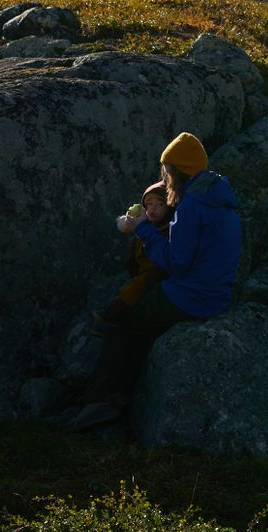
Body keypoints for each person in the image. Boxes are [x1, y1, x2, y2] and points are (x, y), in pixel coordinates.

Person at [65, 131, 241, 430]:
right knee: (144, 316)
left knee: (126, 321)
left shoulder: (191, 205)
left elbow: (176, 262)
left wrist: (143, 229)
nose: (165, 177)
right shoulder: (219, 196)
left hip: (192, 296)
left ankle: (101, 403)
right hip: (218, 294)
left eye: (167, 171)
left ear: (177, 172)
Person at [89, 180, 171, 335]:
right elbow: (124, 226)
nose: (153, 208)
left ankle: (114, 314)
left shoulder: (169, 228)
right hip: (138, 266)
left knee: (134, 290)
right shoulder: (145, 220)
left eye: (160, 204)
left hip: (152, 271)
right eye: (149, 203)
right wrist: (128, 221)